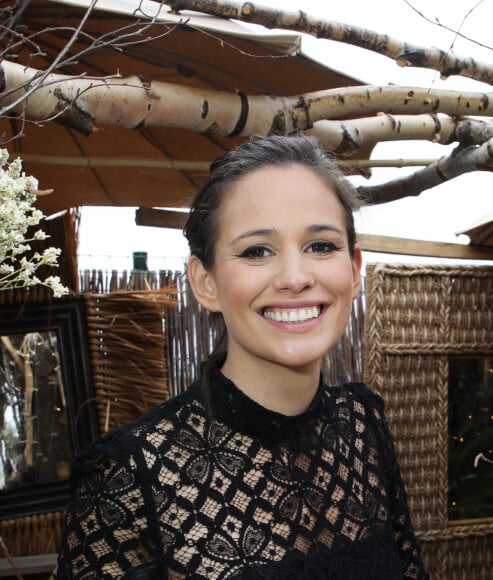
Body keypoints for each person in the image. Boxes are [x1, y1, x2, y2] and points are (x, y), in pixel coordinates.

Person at [56, 135, 429, 579]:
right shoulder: (129, 478)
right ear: (205, 282)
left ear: (353, 269)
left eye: (321, 246)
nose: (295, 277)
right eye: (257, 251)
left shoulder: (363, 425)